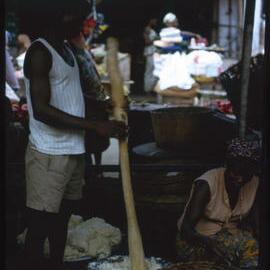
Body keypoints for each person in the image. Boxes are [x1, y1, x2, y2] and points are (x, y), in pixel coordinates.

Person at [22, 1, 127, 269]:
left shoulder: (67, 50)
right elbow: (42, 110)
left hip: (73, 150)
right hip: (48, 153)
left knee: (62, 221)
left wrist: (105, 107)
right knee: (40, 225)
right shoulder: (40, 52)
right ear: (59, 15)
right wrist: (94, 126)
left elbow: (74, 96)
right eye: (78, 16)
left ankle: (55, 264)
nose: (83, 22)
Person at [176, 137, 261, 269]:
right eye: (236, 173)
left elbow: (257, 224)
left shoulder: (254, 183)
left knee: (252, 249)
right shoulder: (207, 184)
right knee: (223, 258)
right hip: (196, 241)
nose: (240, 179)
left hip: (227, 236)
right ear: (227, 166)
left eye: (246, 174)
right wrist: (208, 243)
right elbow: (185, 230)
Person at [69, 32, 111, 178]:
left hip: (97, 103)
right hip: (88, 105)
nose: (82, 38)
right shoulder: (73, 55)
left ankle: (97, 169)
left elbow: (94, 78)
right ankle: (91, 174)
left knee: (97, 142)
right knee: (88, 143)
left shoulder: (84, 53)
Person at [143, 17, 159, 93]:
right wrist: (156, 39)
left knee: (153, 70)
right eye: (154, 19)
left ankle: (152, 88)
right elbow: (146, 42)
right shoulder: (147, 29)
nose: (155, 21)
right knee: (149, 71)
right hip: (149, 52)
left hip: (153, 52)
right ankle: (147, 89)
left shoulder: (152, 30)